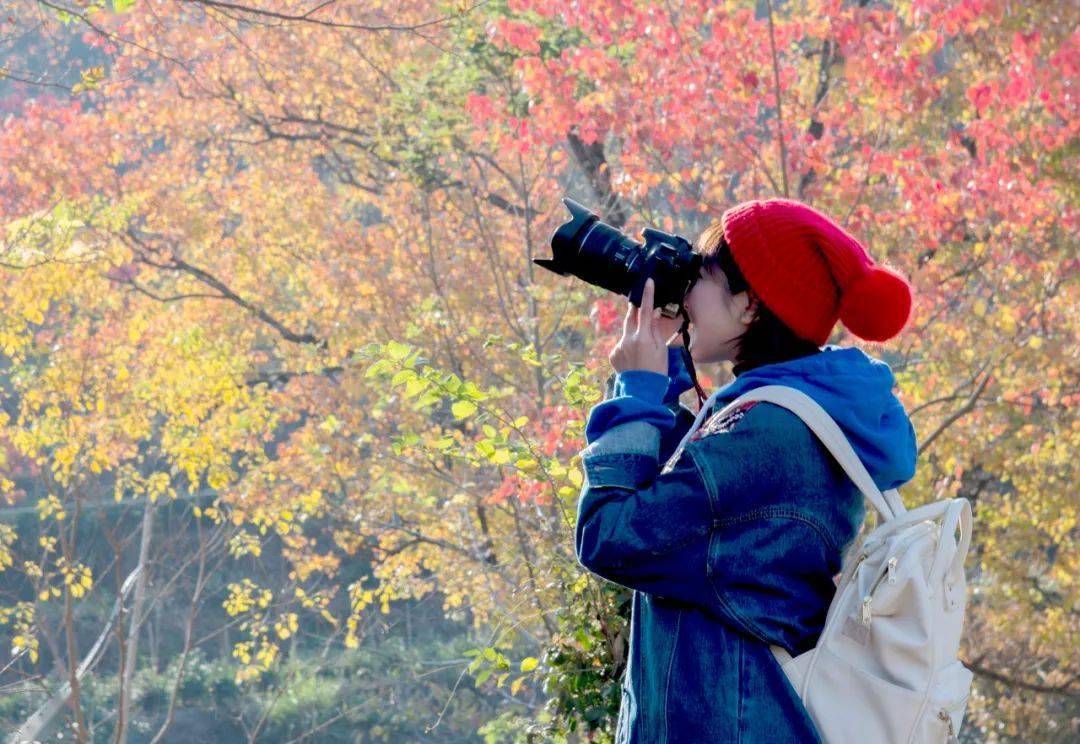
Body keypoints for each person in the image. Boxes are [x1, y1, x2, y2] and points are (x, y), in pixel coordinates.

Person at [575, 198, 918, 743]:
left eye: (703, 276)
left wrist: (637, 394)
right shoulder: (791, 417)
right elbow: (693, 521)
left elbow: (610, 534)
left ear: (751, 306)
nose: (686, 293)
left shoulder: (767, 435)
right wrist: (658, 377)